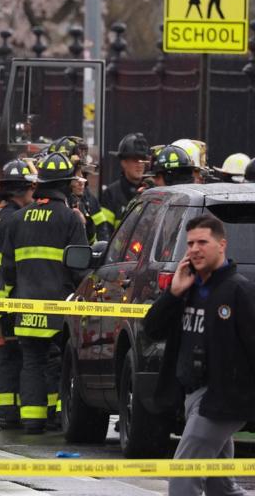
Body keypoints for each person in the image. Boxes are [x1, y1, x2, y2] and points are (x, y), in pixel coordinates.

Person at [143, 214, 255, 496]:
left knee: (183, 475)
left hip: (223, 400)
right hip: (192, 394)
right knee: (220, 485)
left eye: (202, 242)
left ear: (222, 245)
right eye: (190, 243)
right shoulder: (188, 288)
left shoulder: (239, 290)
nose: (194, 249)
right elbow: (152, 329)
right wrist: (173, 293)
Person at [1, 152, 88, 434]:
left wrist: (4, 309)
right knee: (61, 362)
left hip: (24, 305)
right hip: (59, 307)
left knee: (31, 361)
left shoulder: (17, 219)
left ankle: (32, 421)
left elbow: (7, 270)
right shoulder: (71, 219)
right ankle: (58, 417)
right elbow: (80, 267)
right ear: (65, 185)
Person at [0, 158, 36, 429]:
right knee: (12, 354)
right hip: (8, 296)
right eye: (31, 189)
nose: (34, 194)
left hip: (2, 297)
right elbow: (9, 263)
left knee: (9, 353)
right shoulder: (13, 219)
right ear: (21, 190)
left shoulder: (3, 216)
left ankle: (9, 408)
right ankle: (9, 411)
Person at [100, 132, 148, 231]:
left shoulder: (152, 192)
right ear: (123, 162)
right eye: (135, 160)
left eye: (142, 160)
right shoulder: (111, 195)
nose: (140, 165)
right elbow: (104, 233)